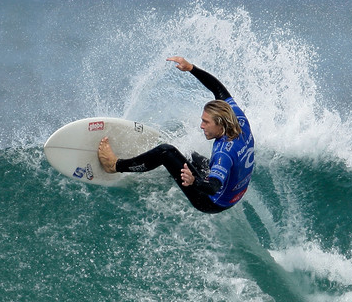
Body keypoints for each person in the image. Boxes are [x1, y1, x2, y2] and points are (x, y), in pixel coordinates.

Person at [98, 56, 255, 213]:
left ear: (220, 124)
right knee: (189, 156)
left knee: (166, 152)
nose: (201, 126)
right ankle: (165, 169)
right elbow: (218, 89)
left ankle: (115, 165)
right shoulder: (238, 118)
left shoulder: (223, 153)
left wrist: (194, 182)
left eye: (206, 122)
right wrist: (192, 68)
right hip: (236, 189)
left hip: (212, 202)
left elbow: (213, 187)